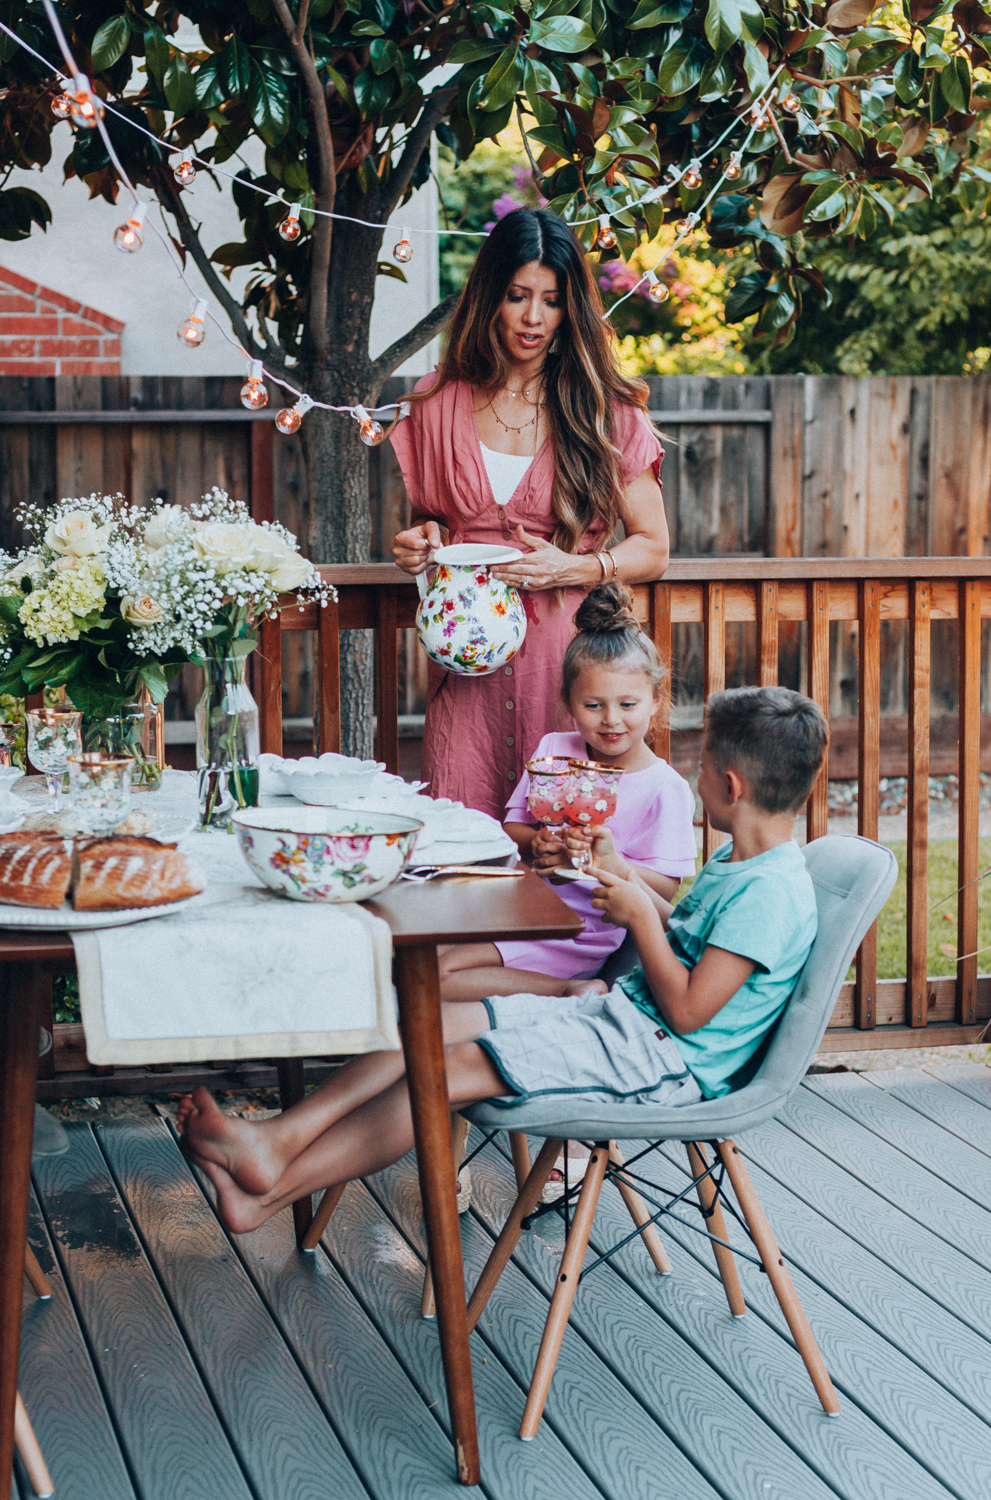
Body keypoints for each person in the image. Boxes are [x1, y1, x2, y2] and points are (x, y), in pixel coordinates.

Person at [177, 685, 828, 1234]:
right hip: (624, 1021)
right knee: (431, 1022)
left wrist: (635, 918)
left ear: (732, 784)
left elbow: (688, 1012)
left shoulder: (769, 893)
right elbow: (684, 937)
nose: (697, 773)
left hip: (662, 1057)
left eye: (705, 763)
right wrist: (623, 876)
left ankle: (269, 1187)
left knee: (446, 1070)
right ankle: (277, 1144)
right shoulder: (740, 862)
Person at [390, 207, 669, 820]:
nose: (534, 318)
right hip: (466, 675)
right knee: (461, 853)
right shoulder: (437, 402)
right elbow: (431, 523)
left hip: (568, 672)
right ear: (491, 295)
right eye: (518, 296)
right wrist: (419, 543)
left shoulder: (605, 409)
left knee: (565, 854)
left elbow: (653, 546)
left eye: (552, 300)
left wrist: (574, 568)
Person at [438, 582, 696, 1001]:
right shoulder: (554, 751)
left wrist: (590, 859)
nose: (611, 720)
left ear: (655, 701)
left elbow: (665, 888)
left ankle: (570, 990)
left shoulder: (665, 788)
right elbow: (514, 827)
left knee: (441, 975)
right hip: (523, 909)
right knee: (430, 963)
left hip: (584, 928)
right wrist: (539, 841)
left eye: (627, 705)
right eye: (594, 705)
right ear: (569, 702)